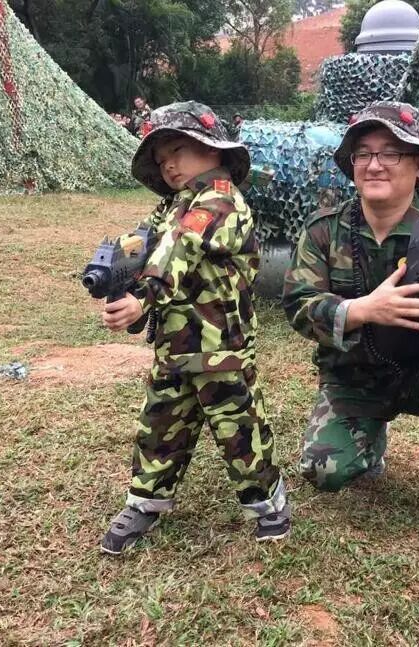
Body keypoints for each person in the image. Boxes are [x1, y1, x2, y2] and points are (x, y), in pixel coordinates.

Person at [282, 101, 419, 542]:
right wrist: (363, 309)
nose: (374, 164)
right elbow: (299, 306)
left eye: (391, 153)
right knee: (324, 469)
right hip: (352, 377)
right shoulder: (324, 231)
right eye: (363, 153)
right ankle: (369, 435)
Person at [99, 101, 290, 555]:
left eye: (178, 150)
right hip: (175, 346)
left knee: (238, 427)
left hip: (222, 346)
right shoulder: (170, 207)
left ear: (213, 150)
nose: (168, 164)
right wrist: (117, 274)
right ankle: (145, 500)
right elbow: (147, 248)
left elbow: (179, 249)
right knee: (160, 424)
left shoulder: (220, 200)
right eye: (161, 158)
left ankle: (267, 502)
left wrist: (143, 295)